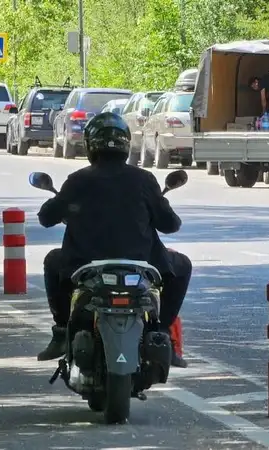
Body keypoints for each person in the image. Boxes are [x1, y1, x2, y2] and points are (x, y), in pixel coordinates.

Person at [35, 112, 192, 368]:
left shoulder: (78, 180)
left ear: (90, 144)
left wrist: (62, 205)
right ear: (125, 143)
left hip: (84, 264)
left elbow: (46, 218)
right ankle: (162, 333)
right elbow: (171, 225)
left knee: (53, 261)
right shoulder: (144, 180)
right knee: (182, 264)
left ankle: (62, 331)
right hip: (140, 264)